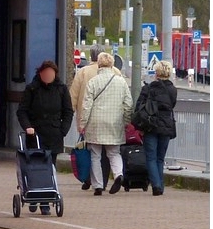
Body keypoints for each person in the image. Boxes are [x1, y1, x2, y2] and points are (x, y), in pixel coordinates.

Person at [80, 52, 133, 195]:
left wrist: (82, 124)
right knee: (114, 153)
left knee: (95, 155)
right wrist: (126, 121)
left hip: (95, 123)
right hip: (114, 123)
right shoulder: (121, 82)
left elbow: (86, 106)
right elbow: (128, 104)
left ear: (98, 64)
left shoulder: (93, 82)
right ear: (112, 65)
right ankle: (118, 175)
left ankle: (98, 185)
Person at [16, 59, 74, 167]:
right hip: (35, 134)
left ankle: (51, 183)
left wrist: (63, 131)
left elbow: (68, 112)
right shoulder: (32, 89)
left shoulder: (61, 89)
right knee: (35, 166)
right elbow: (22, 111)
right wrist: (27, 127)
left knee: (51, 166)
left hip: (54, 134)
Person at [135, 60, 178, 195]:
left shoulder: (148, 88)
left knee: (151, 157)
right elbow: (172, 105)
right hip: (166, 126)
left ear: (157, 73)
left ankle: (156, 185)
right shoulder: (172, 90)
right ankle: (160, 185)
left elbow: (139, 106)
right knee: (160, 158)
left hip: (150, 125)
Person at [70, 44, 106, 190]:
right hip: (109, 119)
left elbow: (74, 95)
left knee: (89, 150)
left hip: (87, 118)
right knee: (106, 151)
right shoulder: (115, 72)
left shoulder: (83, 72)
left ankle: (89, 178)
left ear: (91, 55)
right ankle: (102, 179)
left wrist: (70, 112)